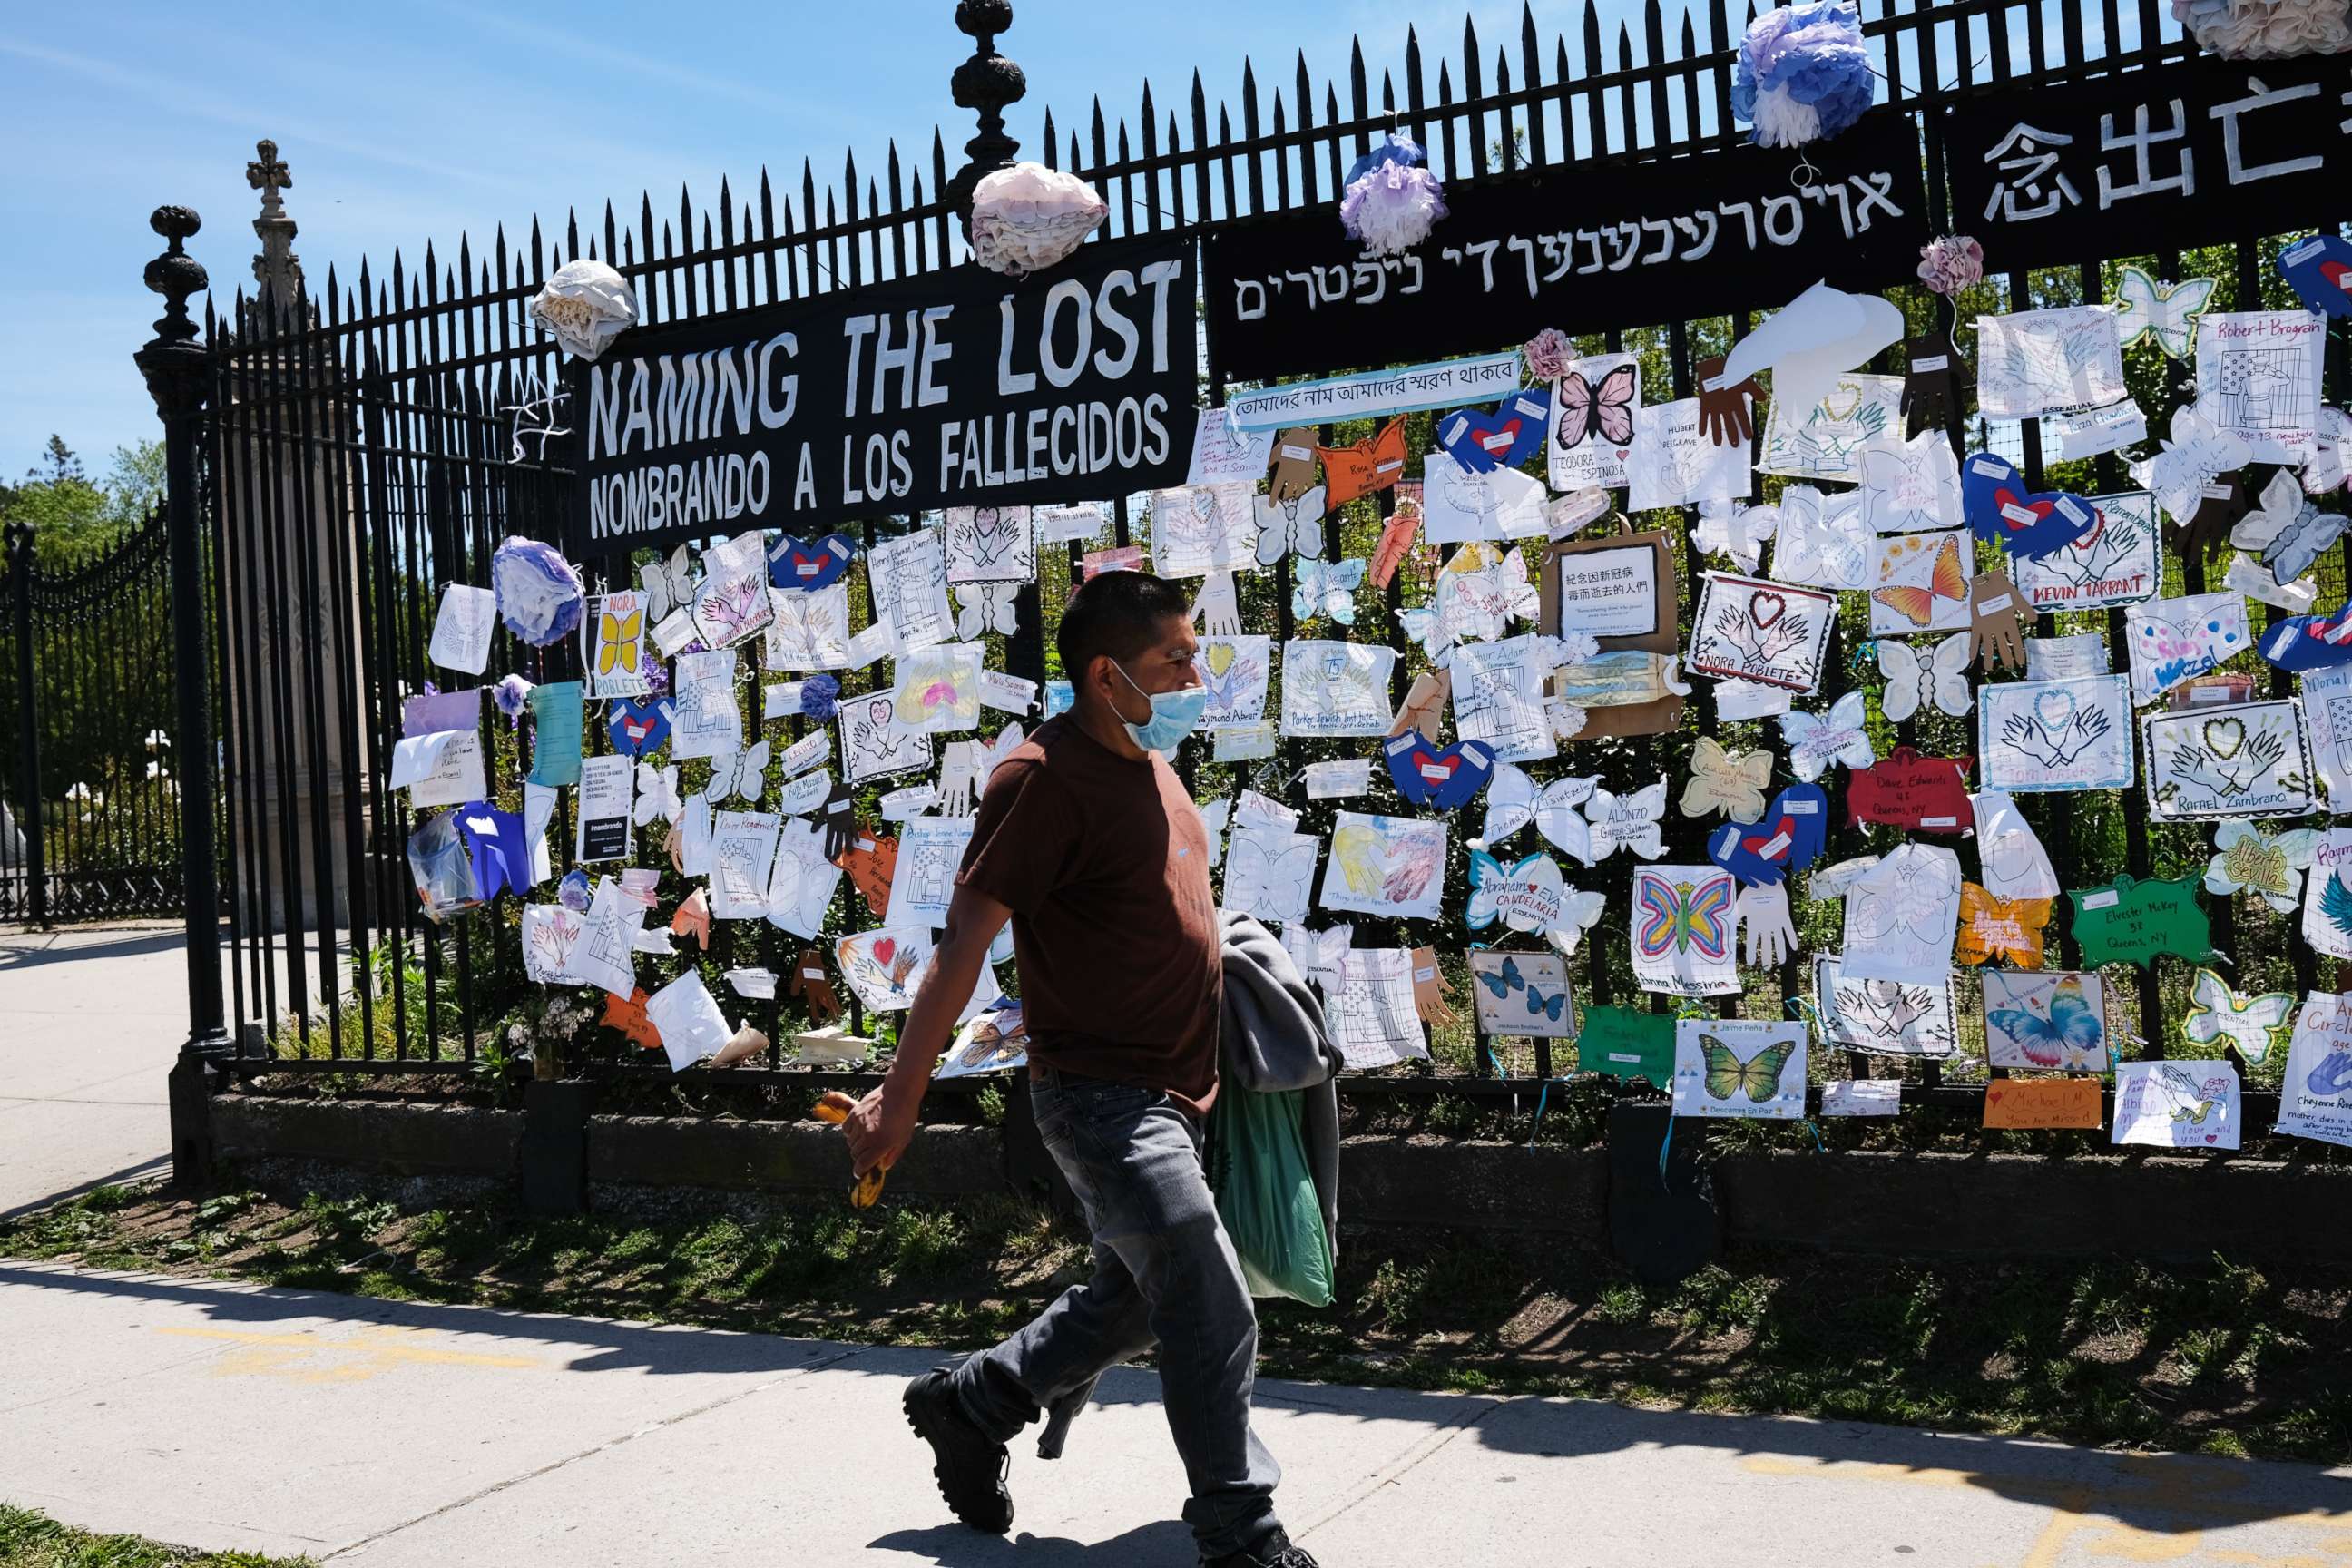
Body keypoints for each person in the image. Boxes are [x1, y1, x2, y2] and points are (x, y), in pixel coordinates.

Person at [844, 569, 1318, 1568]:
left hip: (1185, 1092)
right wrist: (900, 1100)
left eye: (1194, 652)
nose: (1197, 674)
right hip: (1101, 1098)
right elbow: (963, 947)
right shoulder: (1042, 779)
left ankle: (973, 1404)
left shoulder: (1157, 763)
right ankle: (1242, 1531)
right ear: (1108, 676)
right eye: (1175, 660)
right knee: (1204, 1289)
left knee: (1139, 1294)